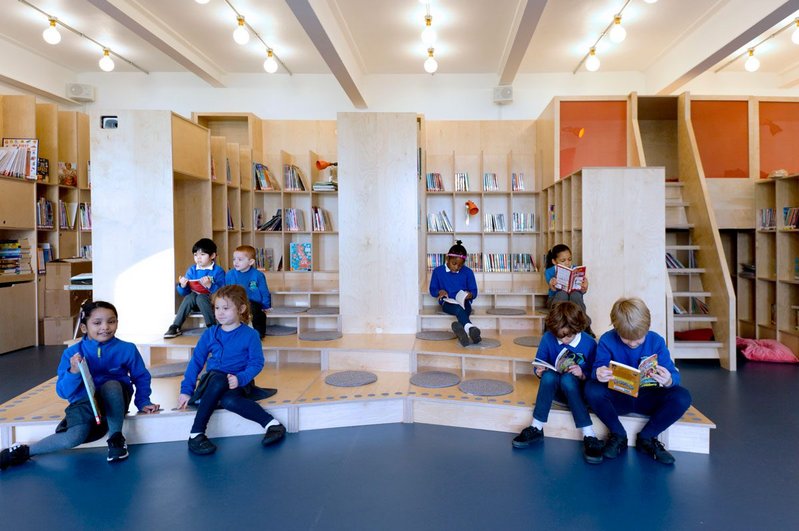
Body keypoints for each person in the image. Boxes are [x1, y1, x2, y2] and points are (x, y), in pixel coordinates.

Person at [1, 301, 159, 471]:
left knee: (112, 385)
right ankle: (24, 452)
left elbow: (141, 376)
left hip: (115, 398)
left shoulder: (127, 348)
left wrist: (143, 401)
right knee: (74, 437)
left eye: (111, 321)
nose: (105, 327)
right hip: (84, 402)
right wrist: (74, 372)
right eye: (97, 323)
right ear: (84, 328)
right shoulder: (71, 353)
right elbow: (62, 392)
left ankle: (116, 438)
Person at [177, 285, 285, 455]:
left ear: (241, 309)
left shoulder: (250, 335)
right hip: (213, 381)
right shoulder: (210, 333)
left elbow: (256, 363)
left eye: (226, 308)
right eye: (217, 308)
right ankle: (196, 433)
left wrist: (240, 378)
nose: (219, 312)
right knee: (218, 378)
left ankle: (273, 425)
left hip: (238, 383)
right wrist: (186, 391)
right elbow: (196, 362)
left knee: (229, 401)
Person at [584, 297, 692, 465]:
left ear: (647, 328)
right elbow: (596, 369)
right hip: (619, 397)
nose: (633, 343)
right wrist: (599, 373)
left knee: (683, 396)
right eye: (627, 339)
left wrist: (669, 380)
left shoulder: (656, 341)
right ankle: (618, 434)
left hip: (648, 397)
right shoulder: (606, 340)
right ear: (615, 327)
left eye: (639, 339)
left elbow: (674, 375)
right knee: (591, 388)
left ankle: (647, 438)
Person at [512, 301, 603, 463]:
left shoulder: (589, 343)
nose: (565, 340)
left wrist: (582, 373)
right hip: (557, 393)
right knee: (548, 376)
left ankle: (589, 434)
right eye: (560, 336)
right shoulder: (548, 338)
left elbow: (595, 374)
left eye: (569, 336)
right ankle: (536, 427)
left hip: (579, 394)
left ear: (577, 329)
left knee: (568, 379)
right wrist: (539, 371)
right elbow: (539, 362)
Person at [164, 238, 226, 338]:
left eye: (202, 254)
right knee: (190, 297)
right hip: (194, 302)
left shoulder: (218, 271)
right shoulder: (192, 270)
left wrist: (210, 285)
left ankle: (211, 326)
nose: (198, 258)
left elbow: (223, 292)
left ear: (212, 256)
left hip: (211, 303)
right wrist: (182, 286)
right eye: (195, 255)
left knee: (201, 297)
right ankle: (175, 326)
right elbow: (184, 293)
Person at [429, 240, 481, 347]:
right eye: (454, 263)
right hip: (447, 302)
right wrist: (440, 291)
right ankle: (471, 329)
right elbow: (432, 289)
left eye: (460, 266)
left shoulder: (468, 272)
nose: (457, 267)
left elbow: (474, 291)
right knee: (458, 309)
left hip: (463, 301)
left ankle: (462, 332)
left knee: (465, 308)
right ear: (447, 258)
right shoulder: (438, 271)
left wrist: (469, 295)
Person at [544, 244, 593, 336]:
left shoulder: (575, 269)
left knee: (576, 295)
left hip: (573, 297)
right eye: (563, 260)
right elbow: (552, 288)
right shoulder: (549, 271)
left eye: (569, 259)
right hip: (555, 298)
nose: (567, 263)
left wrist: (584, 288)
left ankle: (585, 324)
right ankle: (553, 323)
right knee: (562, 294)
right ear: (554, 261)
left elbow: (582, 290)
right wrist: (552, 284)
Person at [225, 245, 271, 339]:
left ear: (251, 262)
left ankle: (259, 333)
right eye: (234, 259)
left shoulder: (258, 275)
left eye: (240, 259)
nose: (236, 262)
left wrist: (266, 305)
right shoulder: (230, 274)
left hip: (252, 302)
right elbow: (226, 290)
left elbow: (264, 292)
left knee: (258, 313)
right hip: (235, 301)